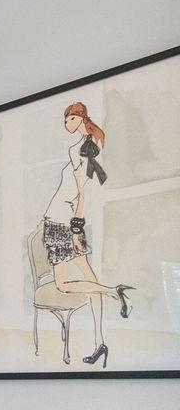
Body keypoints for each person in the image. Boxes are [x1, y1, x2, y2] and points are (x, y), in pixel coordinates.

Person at [39, 100, 131, 367]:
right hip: (70, 222)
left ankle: (114, 291)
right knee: (89, 282)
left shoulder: (78, 149)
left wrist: (76, 226)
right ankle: (100, 342)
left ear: (80, 118)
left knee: (62, 284)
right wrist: (77, 225)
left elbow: (82, 190)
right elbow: (87, 187)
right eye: (65, 120)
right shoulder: (93, 146)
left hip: (60, 222)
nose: (66, 124)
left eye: (70, 119)